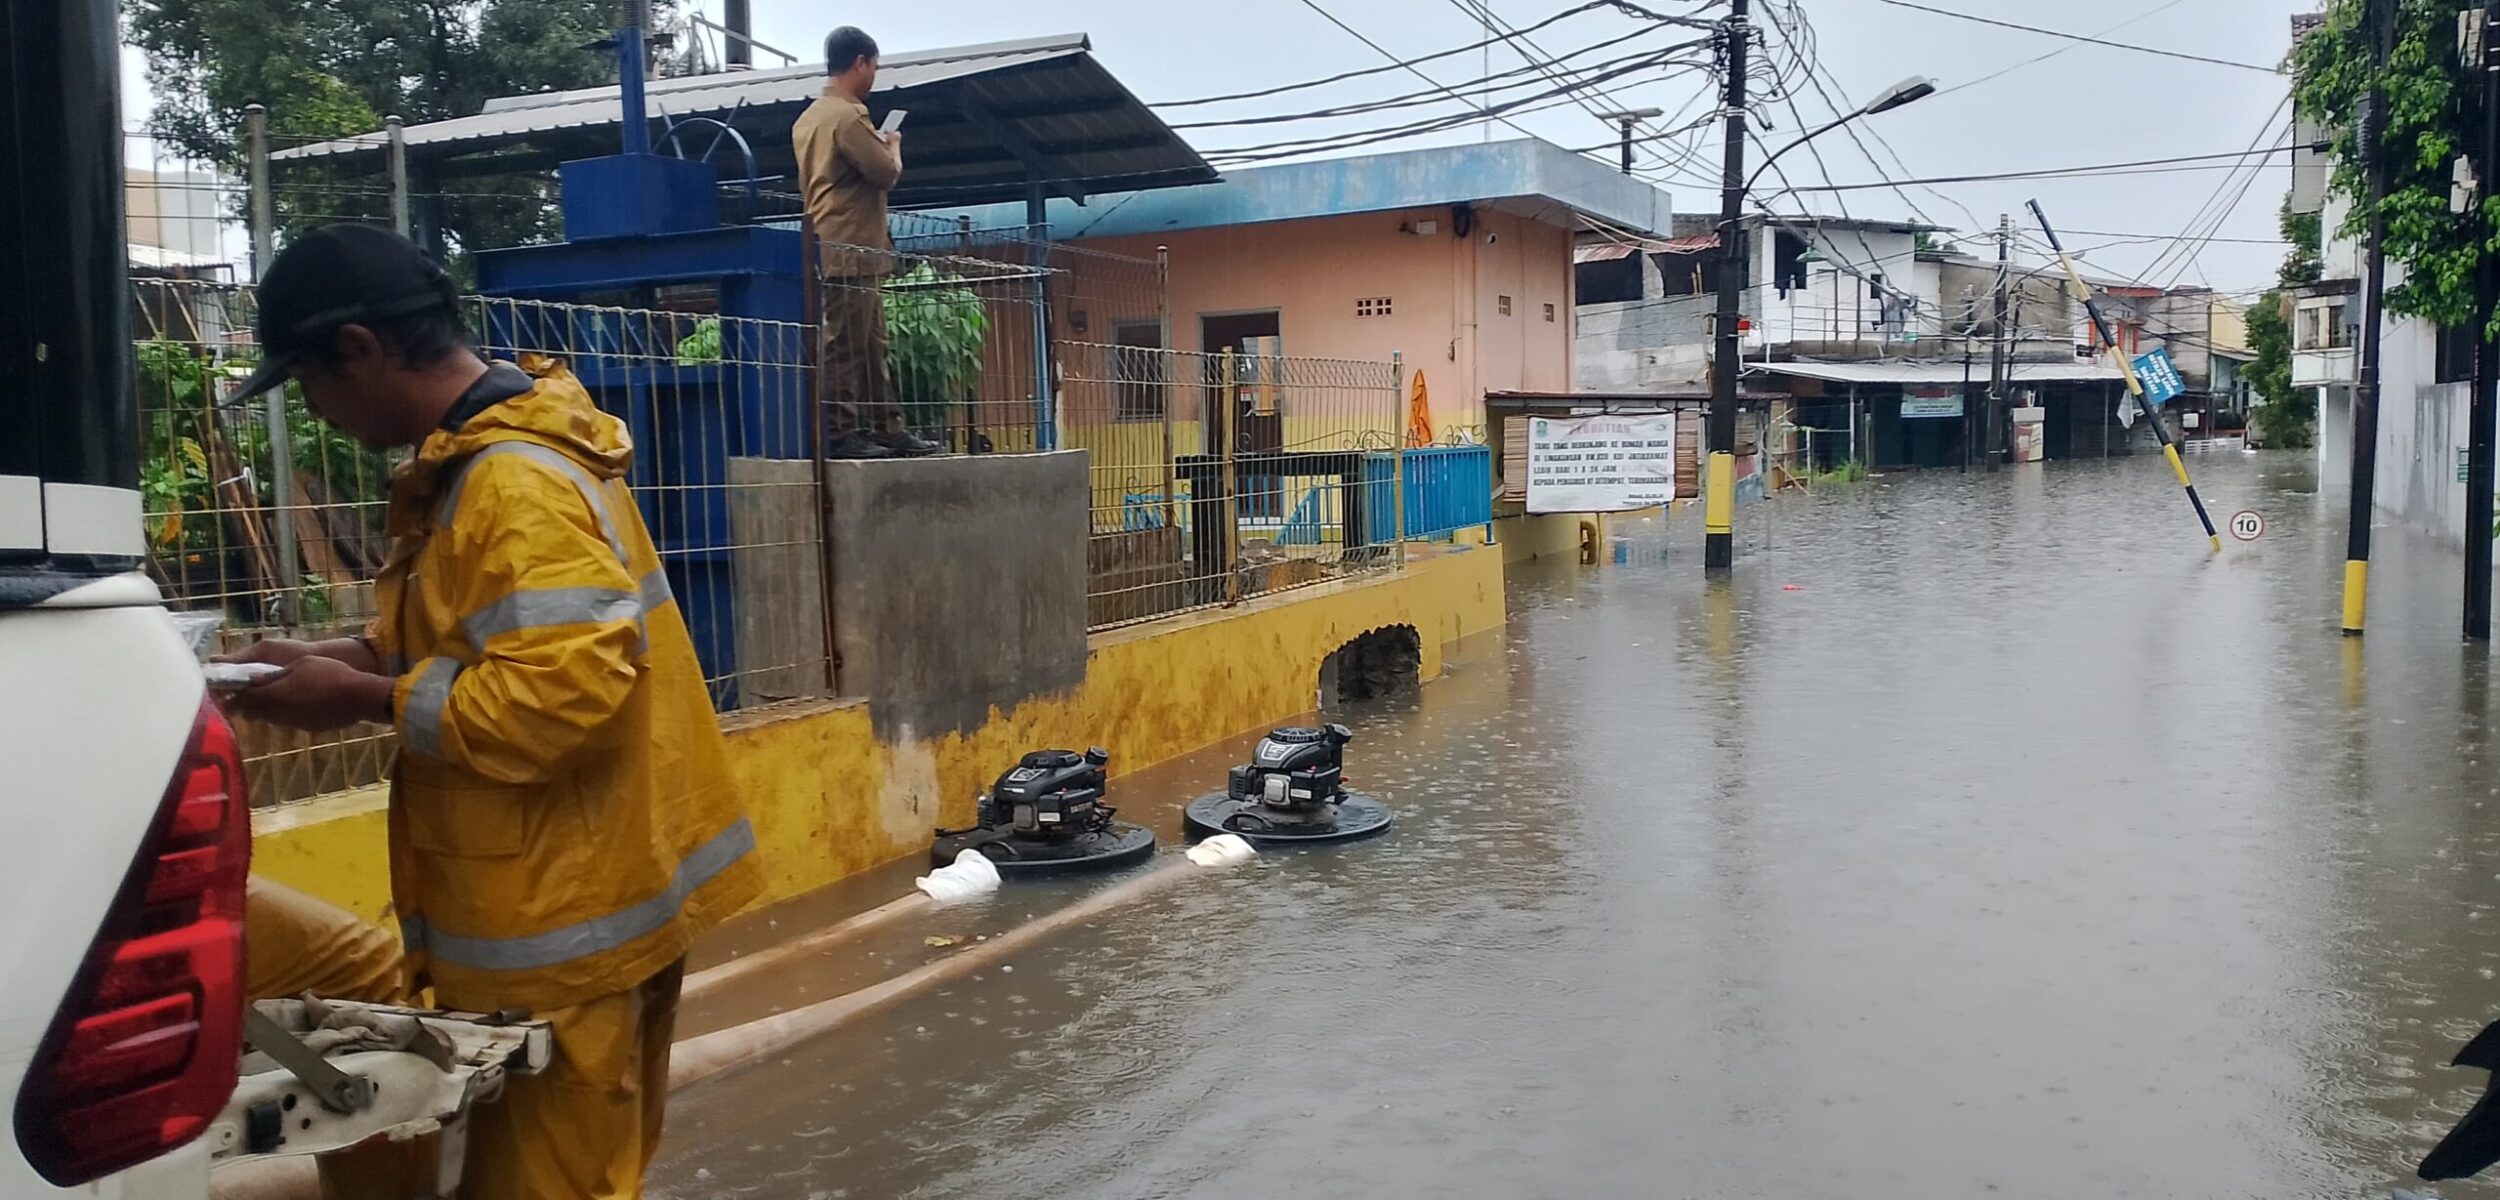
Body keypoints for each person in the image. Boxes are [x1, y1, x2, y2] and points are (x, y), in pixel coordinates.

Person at [221, 223, 763, 1200]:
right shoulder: (478, 465)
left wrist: (367, 696)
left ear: (360, 348)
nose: (315, 409)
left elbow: (560, 695)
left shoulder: (510, 481)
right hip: (574, 901)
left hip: (570, 925)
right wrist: (332, 665)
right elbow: (483, 639)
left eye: (309, 380)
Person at [792, 24, 939, 458]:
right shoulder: (849, 115)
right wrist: (892, 144)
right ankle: (843, 433)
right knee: (848, 344)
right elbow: (884, 172)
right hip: (852, 246)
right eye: (874, 66)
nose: (874, 76)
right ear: (859, 63)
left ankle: (886, 426)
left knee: (870, 342)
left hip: (828, 242)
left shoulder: (808, 119)